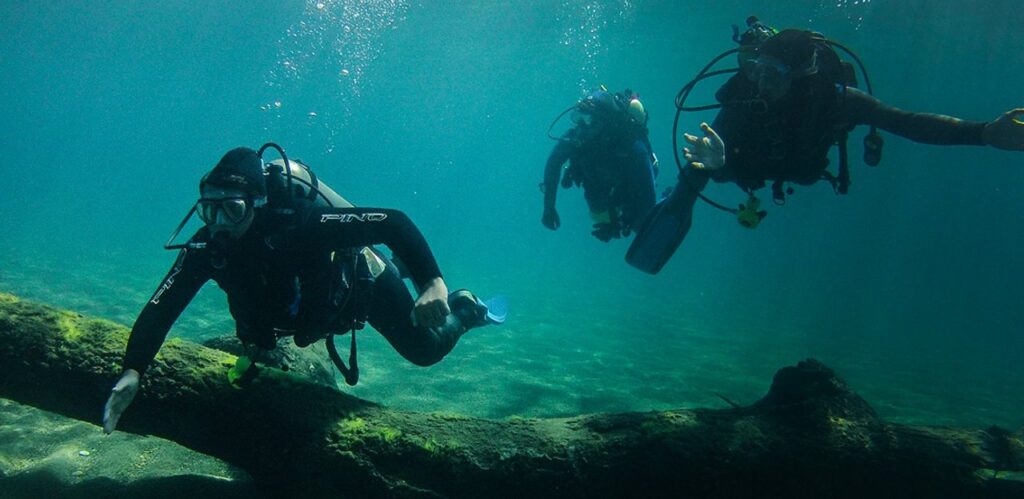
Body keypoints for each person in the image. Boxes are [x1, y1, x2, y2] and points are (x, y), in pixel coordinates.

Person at [102, 145, 505, 434]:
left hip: (360, 280)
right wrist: (133, 370)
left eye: (233, 209)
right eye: (210, 210)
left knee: (425, 350)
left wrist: (432, 282)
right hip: (296, 307)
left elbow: (393, 222)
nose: (220, 223)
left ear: (258, 203)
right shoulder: (209, 247)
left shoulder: (304, 223)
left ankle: (466, 310)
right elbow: (162, 306)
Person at [626, 20, 1024, 274]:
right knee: (692, 178)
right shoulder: (743, 101)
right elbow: (708, 168)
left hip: (805, 168)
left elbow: (906, 122)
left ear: (801, 75)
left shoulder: (836, 100)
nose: (762, 82)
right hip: (746, 166)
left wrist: (983, 133)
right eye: (757, 69)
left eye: (774, 74)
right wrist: (717, 167)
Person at [542, 88, 659, 242]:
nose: (582, 125)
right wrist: (549, 206)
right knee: (599, 214)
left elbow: (646, 195)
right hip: (600, 186)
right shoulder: (578, 136)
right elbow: (553, 163)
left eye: (588, 120)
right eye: (578, 118)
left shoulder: (632, 147)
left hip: (631, 185)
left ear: (603, 122)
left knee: (642, 225)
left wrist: (623, 223)